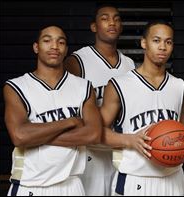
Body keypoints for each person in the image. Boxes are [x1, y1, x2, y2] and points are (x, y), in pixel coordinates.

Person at [3, 25, 102, 196]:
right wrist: (69, 122)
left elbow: (93, 134)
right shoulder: (16, 86)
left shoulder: (84, 87)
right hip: (31, 185)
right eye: (47, 40)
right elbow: (19, 136)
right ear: (36, 47)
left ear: (66, 50)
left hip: (72, 185)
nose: (54, 46)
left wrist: (36, 135)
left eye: (61, 42)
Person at [100, 20, 184, 196]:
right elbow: (95, 132)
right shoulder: (119, 85)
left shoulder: (180, 86)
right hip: (135, 179)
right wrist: (129, 140)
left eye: (168, 42)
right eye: (156, 40)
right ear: (143, 43)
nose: (162, 47)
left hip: (173, 179)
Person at [64, 4, 135, 196]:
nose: (112, 22)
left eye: (116, 19)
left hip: (120, 151)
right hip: (89, 153)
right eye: (105, 18)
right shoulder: (77, 61)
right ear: (94, 26)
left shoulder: (129, 64)